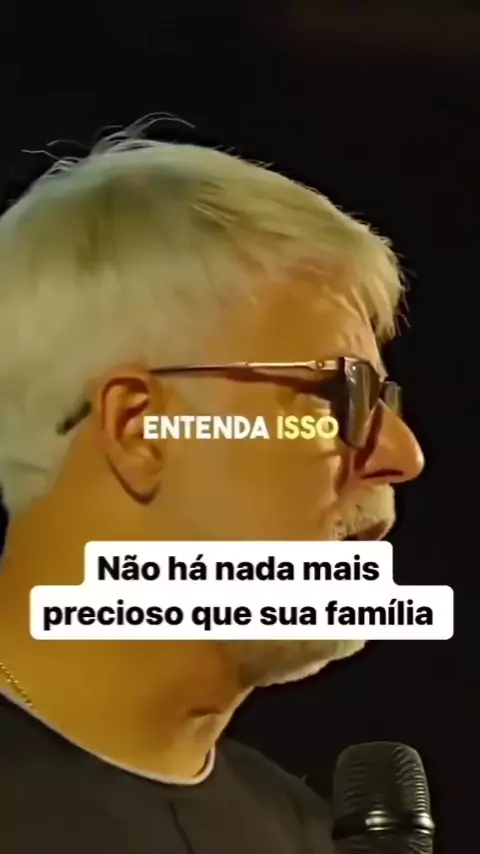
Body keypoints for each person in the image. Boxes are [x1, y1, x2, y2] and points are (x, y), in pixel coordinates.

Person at [0, 130, 424, 853]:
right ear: (139, 429)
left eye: (385, 401)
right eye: (339, 396)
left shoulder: (306, 832)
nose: (402, 455)